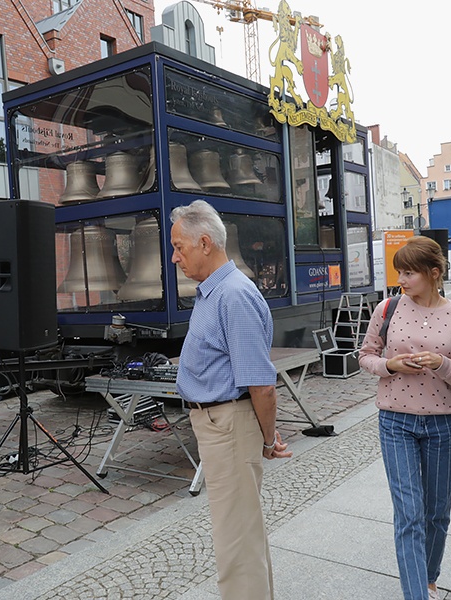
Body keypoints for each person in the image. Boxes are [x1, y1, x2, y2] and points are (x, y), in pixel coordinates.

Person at [170, 200, 292, 600]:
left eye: (179, 247)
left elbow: (261, 384)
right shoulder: (214, 292)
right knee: (241, 535)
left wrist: (269, 438)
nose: (175, 257)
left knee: (236, 540)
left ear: (204, 243)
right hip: (218, 424)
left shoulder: (233, 296)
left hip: (229, 425)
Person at [358, 236, 451, 600]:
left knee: (437, 513)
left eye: (409, 273)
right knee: (409, 514)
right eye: (399, 272)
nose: (401, 279)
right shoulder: (387, 308)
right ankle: (416, 593)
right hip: (395, 423)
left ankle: (429, 578)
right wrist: (390, 364)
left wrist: (442, 364)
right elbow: (366, 355)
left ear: (434, 273)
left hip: (444, 424)